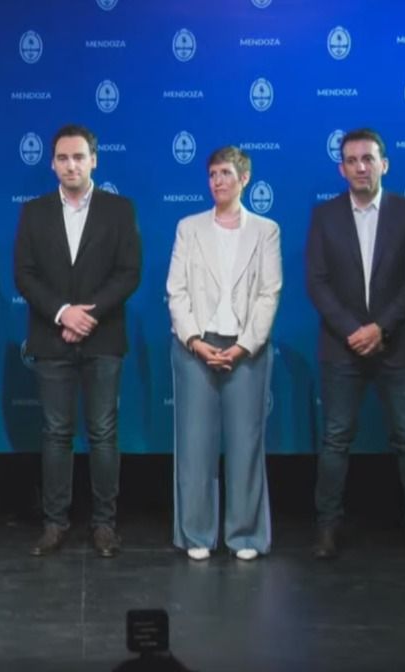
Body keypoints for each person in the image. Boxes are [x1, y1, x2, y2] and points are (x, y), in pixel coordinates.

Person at [305, 128, 405, 564]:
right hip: (342, 347)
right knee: (336, 439)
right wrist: (353, 330)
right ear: (341, 168)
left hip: (397, 344)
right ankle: (327, 526)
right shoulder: (324, 216)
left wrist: (381, 327)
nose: (361, 166)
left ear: (385, 163)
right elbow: (318, 284)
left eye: (368, 158)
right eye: (352, 160)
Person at [13, 124, 142, 558]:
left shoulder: (119, 209)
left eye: (79, 157)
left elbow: (129, 272)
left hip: (103, 337)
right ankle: (55, 523)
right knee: (55, 433)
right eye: (64, 158)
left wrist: (88, 315)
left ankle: (104, 525)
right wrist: (62, 313)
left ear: (94, 160)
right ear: (52, 163)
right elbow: (24, 274)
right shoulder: (33, 212)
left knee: (103, 433)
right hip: (52, 338)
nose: (71, 165)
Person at [166, 146, 282, 561]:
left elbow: (269, 293)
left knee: (245, 443)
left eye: (226, 173)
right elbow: (175, 291)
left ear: (244, 179)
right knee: (195, 443)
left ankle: (245, 534)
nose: (217, 181)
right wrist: (195, 341)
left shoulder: (266, 230)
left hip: (245, 348)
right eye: (212, 173)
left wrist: (244, 345)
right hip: (195, 346)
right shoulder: (189, 227)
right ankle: (197, 533)